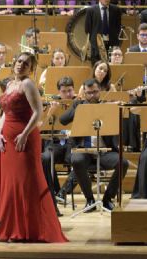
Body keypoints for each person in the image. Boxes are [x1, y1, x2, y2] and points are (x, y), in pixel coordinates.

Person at [0, 52, 67, 242]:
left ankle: (27, 229)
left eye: (26, 63)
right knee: (10, 183)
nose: (21, 65)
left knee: (25, 183)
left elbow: (38, 112)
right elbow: (6, 113)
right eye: (19, 61)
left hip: (24, 139)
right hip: (7, 139)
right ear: (14, 63)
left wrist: (24, 134)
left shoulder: (28, 84)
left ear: (31, 68)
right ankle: (10, 227)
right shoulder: (9, 84)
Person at [60, 78, 129, 212]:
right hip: (84, 150)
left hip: (105, 151)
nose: (92, 96)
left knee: (123, 163)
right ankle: (90, 199)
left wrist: (115, 108)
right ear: (84, 93)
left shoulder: (106, 105)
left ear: (100, 91)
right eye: (89, 93)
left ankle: (107, 199)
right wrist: (81, 107)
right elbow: (63, 120)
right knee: (76, 160)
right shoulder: (78, 105)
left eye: (95, 92)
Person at [40, 76, 76, 213]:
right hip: (56, 141)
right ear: (59, 92)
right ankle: (53, 193)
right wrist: (50, 112)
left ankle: (63, 191)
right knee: (46, 158)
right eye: (64, 91)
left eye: (70, 90)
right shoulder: (52, 105)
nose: (67, 94)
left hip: (72, 142)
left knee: (78, 160)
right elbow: (43, 127)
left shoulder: (79, 103)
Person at [85, 0, 122, 65]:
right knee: (97, 68)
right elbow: (88, 29)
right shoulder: (91, 10)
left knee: (112, 68)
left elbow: (118, 27)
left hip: (112, 43)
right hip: (96, 45)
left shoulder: (116, 10)